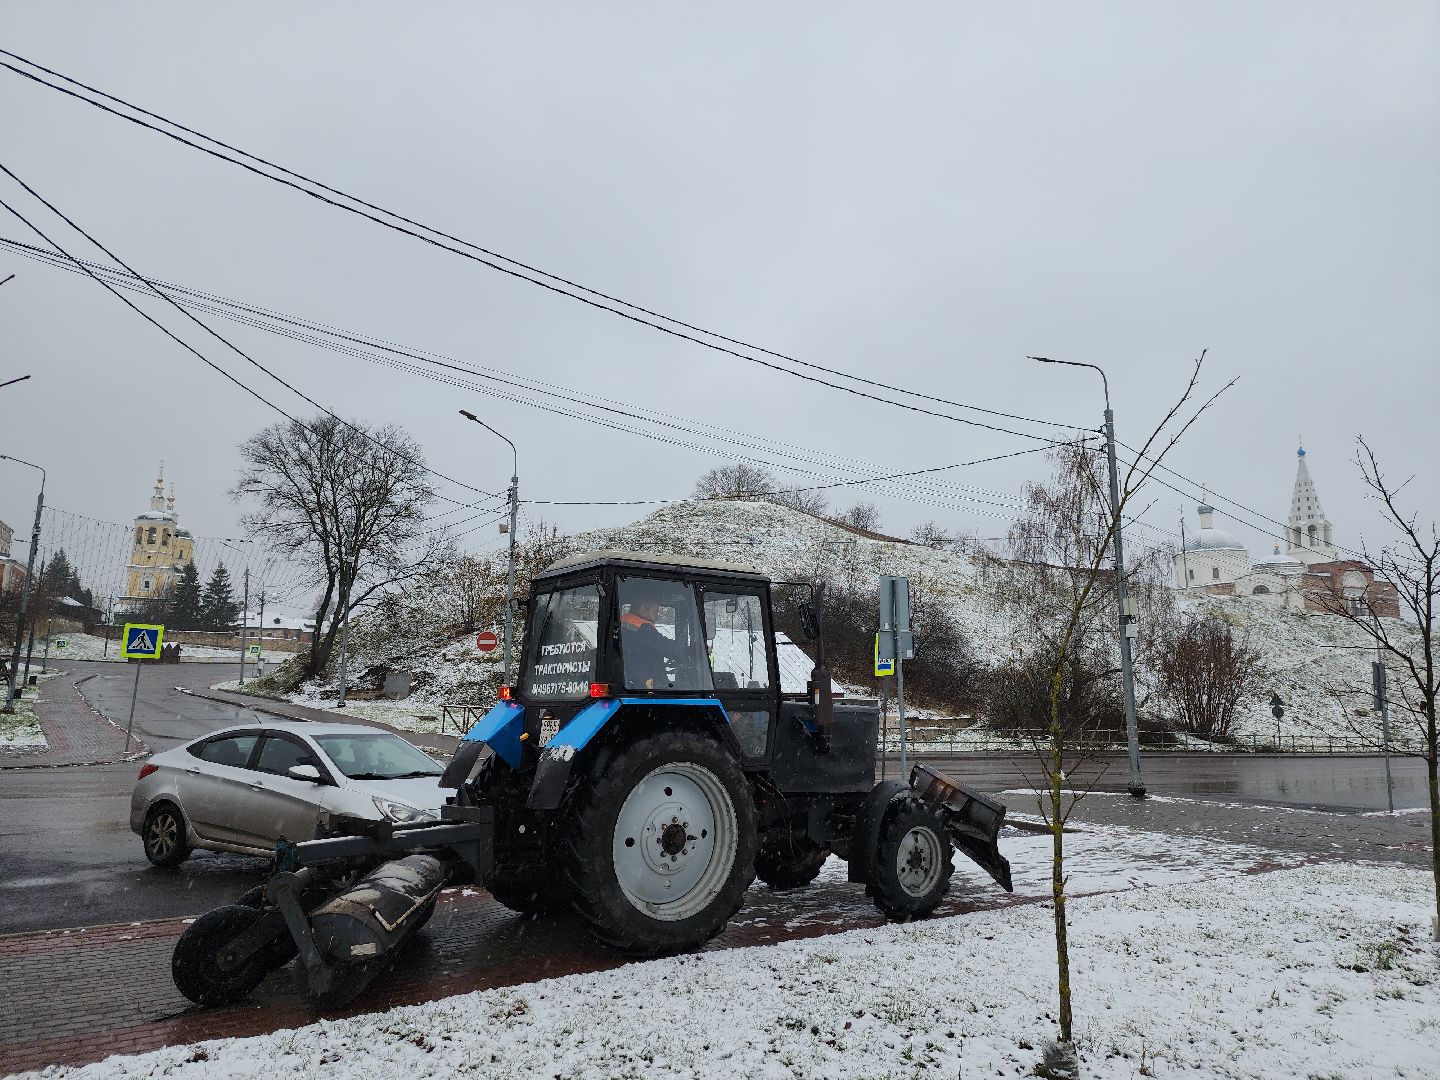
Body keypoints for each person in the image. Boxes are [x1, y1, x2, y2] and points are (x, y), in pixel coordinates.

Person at [621, 598, 672, 690]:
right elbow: (669, 648)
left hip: (632, 682)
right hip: (647, 686)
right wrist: (696, 649)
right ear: (643, 610)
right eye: (655, 612)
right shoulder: (644, 630)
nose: (657, 616)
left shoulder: (623, 627)